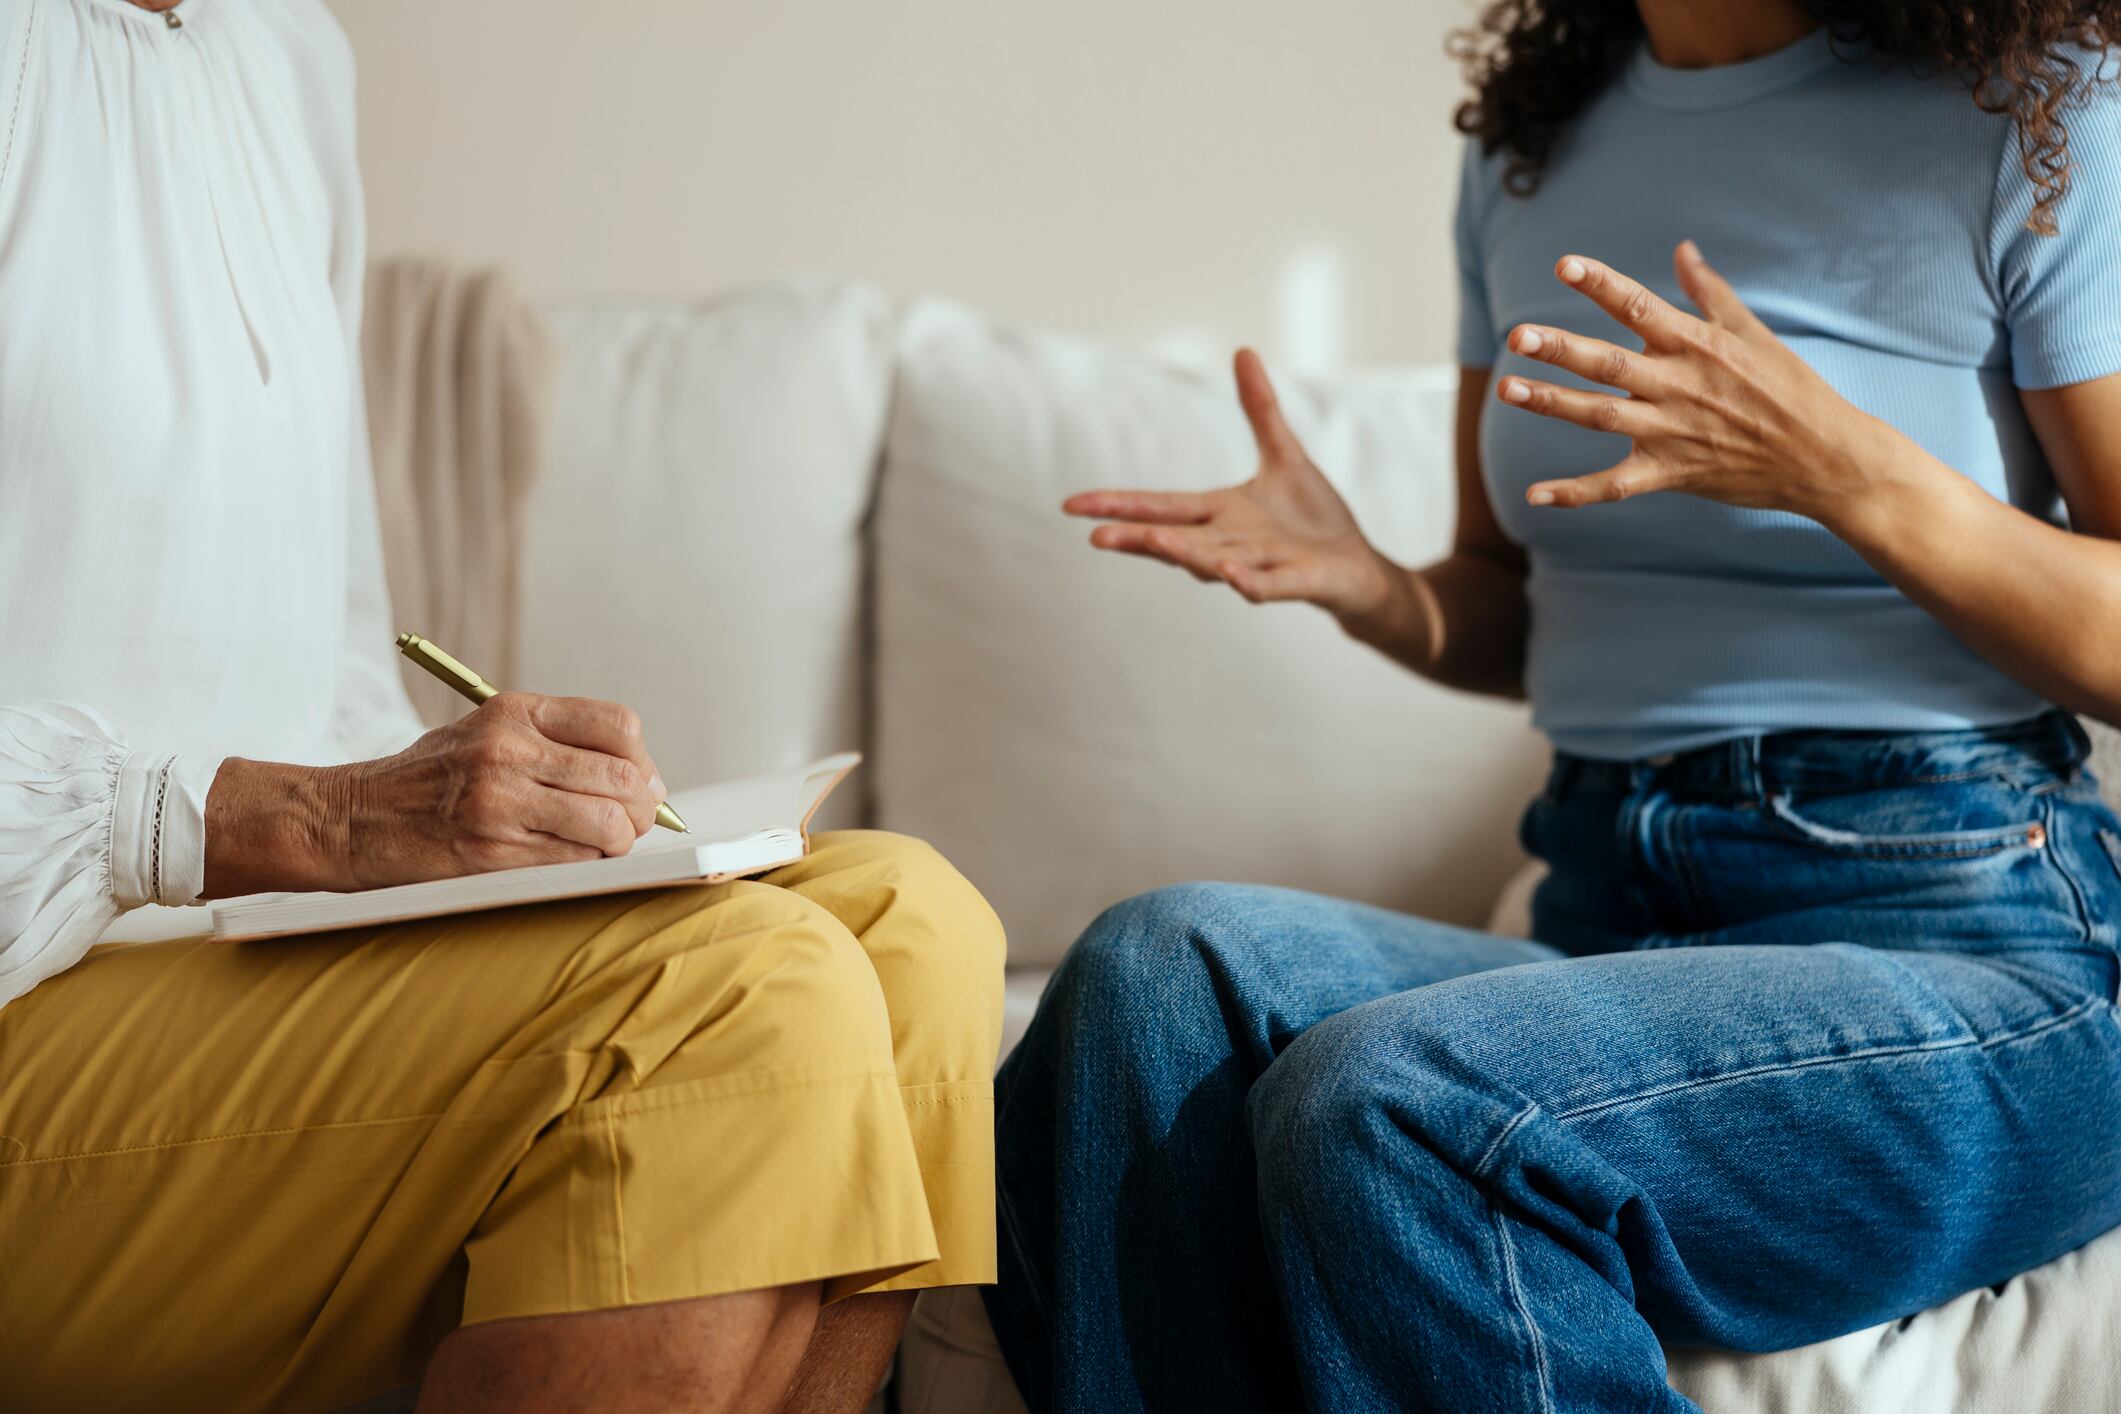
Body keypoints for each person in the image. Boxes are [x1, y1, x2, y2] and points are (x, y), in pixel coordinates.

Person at [983, 1, 2121, 1410]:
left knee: (1397, 1100)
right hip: (1615, 919)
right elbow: (1513, 602)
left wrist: (1851, 476)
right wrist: (1376, 586)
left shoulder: (2039, 114)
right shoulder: (1536, 144)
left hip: (1969, 933)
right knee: (1150, 978)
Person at [0, 2, 1004, 1410]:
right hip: (28, 1002)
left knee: (911, 927)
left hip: (213, 958)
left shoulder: (287, 54)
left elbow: (335, 634)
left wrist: (447, 852)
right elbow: (277, 801)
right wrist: (290, 821)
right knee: (745, 998)